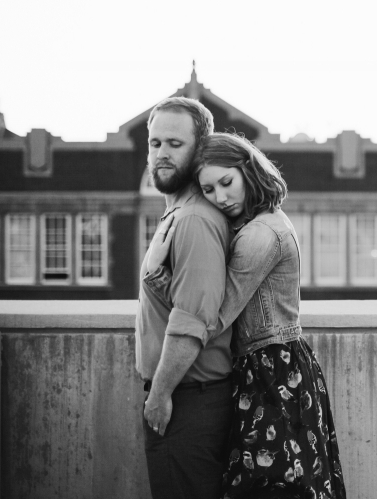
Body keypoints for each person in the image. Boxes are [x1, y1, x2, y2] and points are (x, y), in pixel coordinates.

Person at [147, 132, 347, 499]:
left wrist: (157, 277)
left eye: (226, 182)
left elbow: (215, 317)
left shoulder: (260, 235)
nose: (220, 198)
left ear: (248, 169)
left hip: (272, 373)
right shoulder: (261, 220)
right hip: (273, 365)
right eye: (208, 190)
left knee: (273, 488)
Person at [135, 97, 234, 499]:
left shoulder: (194, 219)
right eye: (155, 143)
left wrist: (158, 396)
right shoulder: (176, 213)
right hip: (182, 396)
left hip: (188, 401)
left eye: (174, 144)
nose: (161, 153)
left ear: (200, 148)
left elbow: (191, 320)